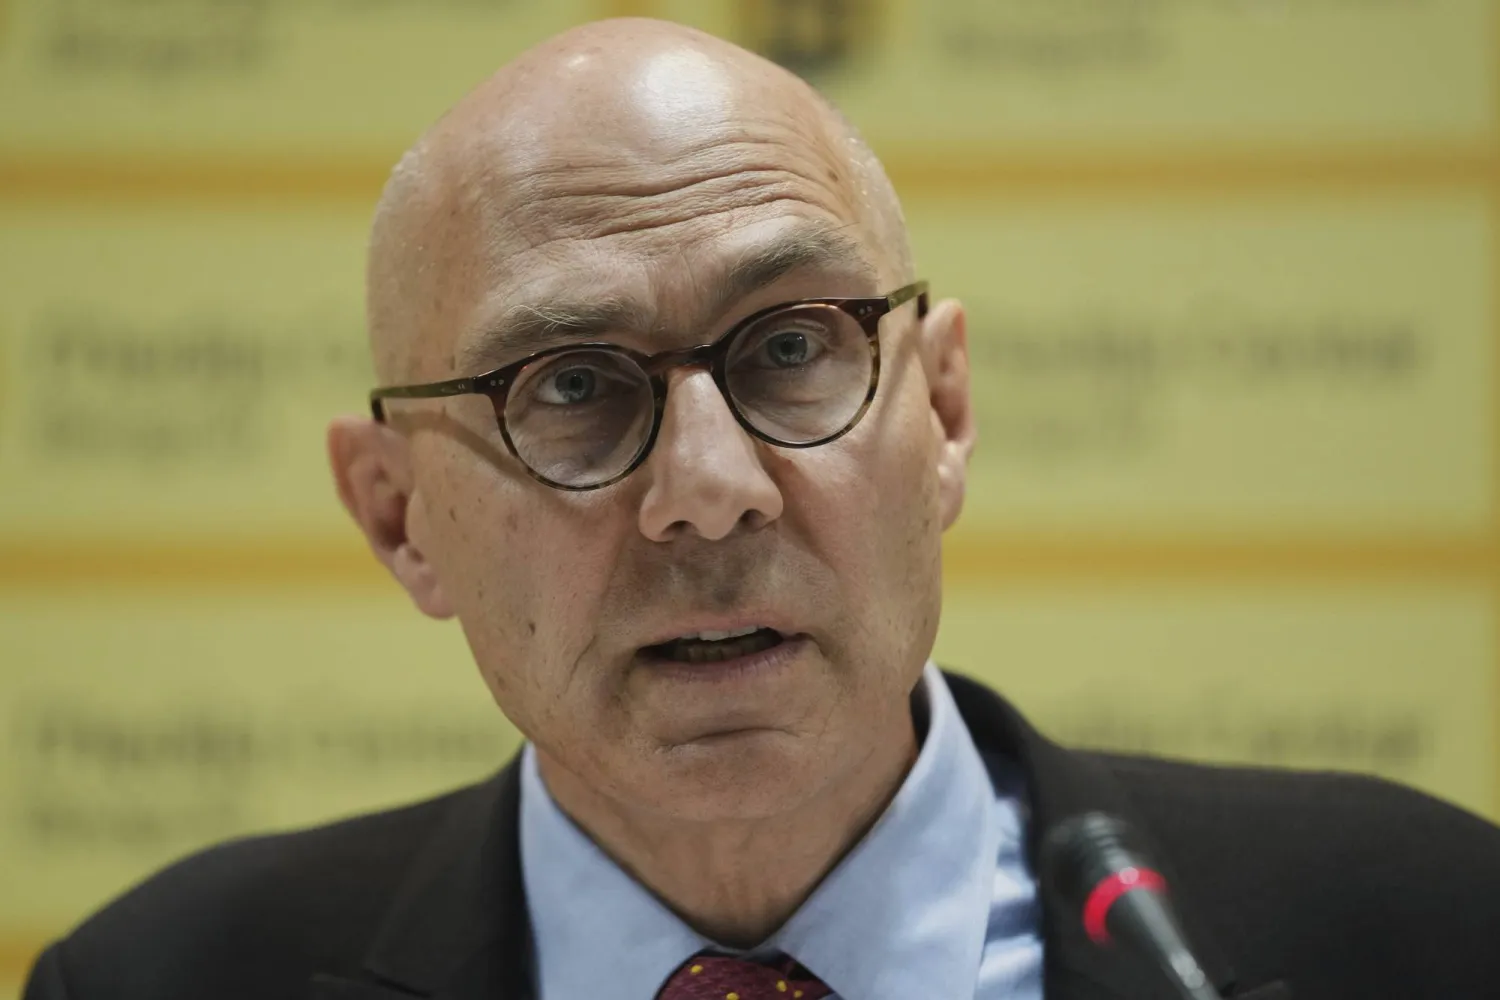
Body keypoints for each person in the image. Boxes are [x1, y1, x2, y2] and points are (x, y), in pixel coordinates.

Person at [23, 17, 1500, 1000]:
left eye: (792, 350)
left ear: (946, 412)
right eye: (572, 388)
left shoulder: (1430, 930)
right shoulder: (161, 978)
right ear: (400, 517)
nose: (710, 495)